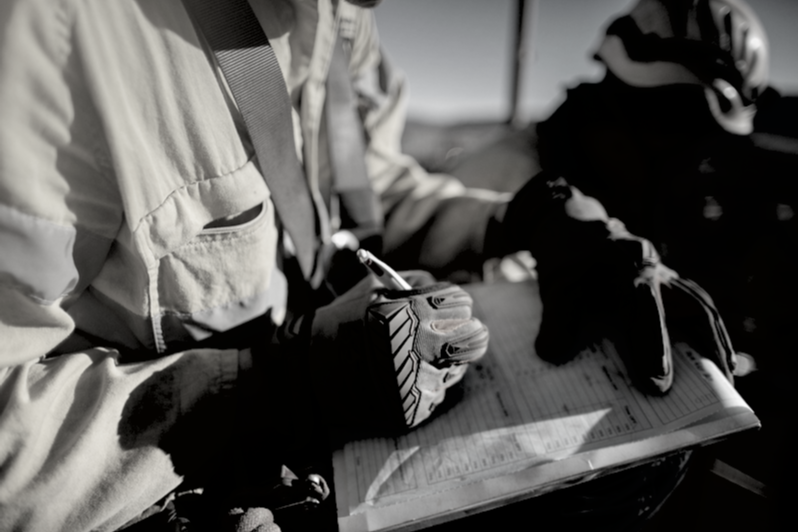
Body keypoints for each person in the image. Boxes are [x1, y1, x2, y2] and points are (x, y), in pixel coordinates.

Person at [0, 0, 739, 530]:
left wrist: (526, 217)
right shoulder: (61, 31)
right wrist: (278, 390)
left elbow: (368, 192)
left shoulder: (341, 24)